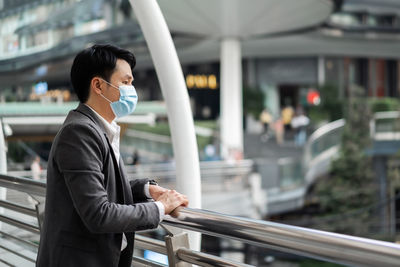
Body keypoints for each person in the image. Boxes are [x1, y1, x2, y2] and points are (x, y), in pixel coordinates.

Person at [36, 44, 188, 267]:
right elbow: (99, 213)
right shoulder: (79, 132)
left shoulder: (97, 128)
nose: (132, 89)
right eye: (125, 82)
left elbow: (99, 184)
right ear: (98, 85)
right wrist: (161, 208)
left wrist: (146, 189)